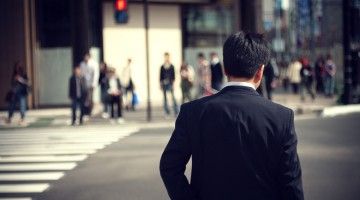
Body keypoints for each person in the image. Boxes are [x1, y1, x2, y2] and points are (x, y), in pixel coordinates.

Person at [160, 32, 304, 200]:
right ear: (260, 72)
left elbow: (169, 166)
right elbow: (291, 184)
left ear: (224, 68)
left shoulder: (192, 112)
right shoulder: (281, 117)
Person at [160, 52, 179, 117]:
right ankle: (167, 111)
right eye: (165, 57)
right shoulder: (162, 66)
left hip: (170, 84)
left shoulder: (172, 66)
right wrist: (160, 84)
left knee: (173, 98)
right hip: (164, 84)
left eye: (167, 57)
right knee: (165, 98)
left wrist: (173, 84)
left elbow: (173, 76)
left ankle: (176, 111)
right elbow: (160, 76)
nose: (166, 58)